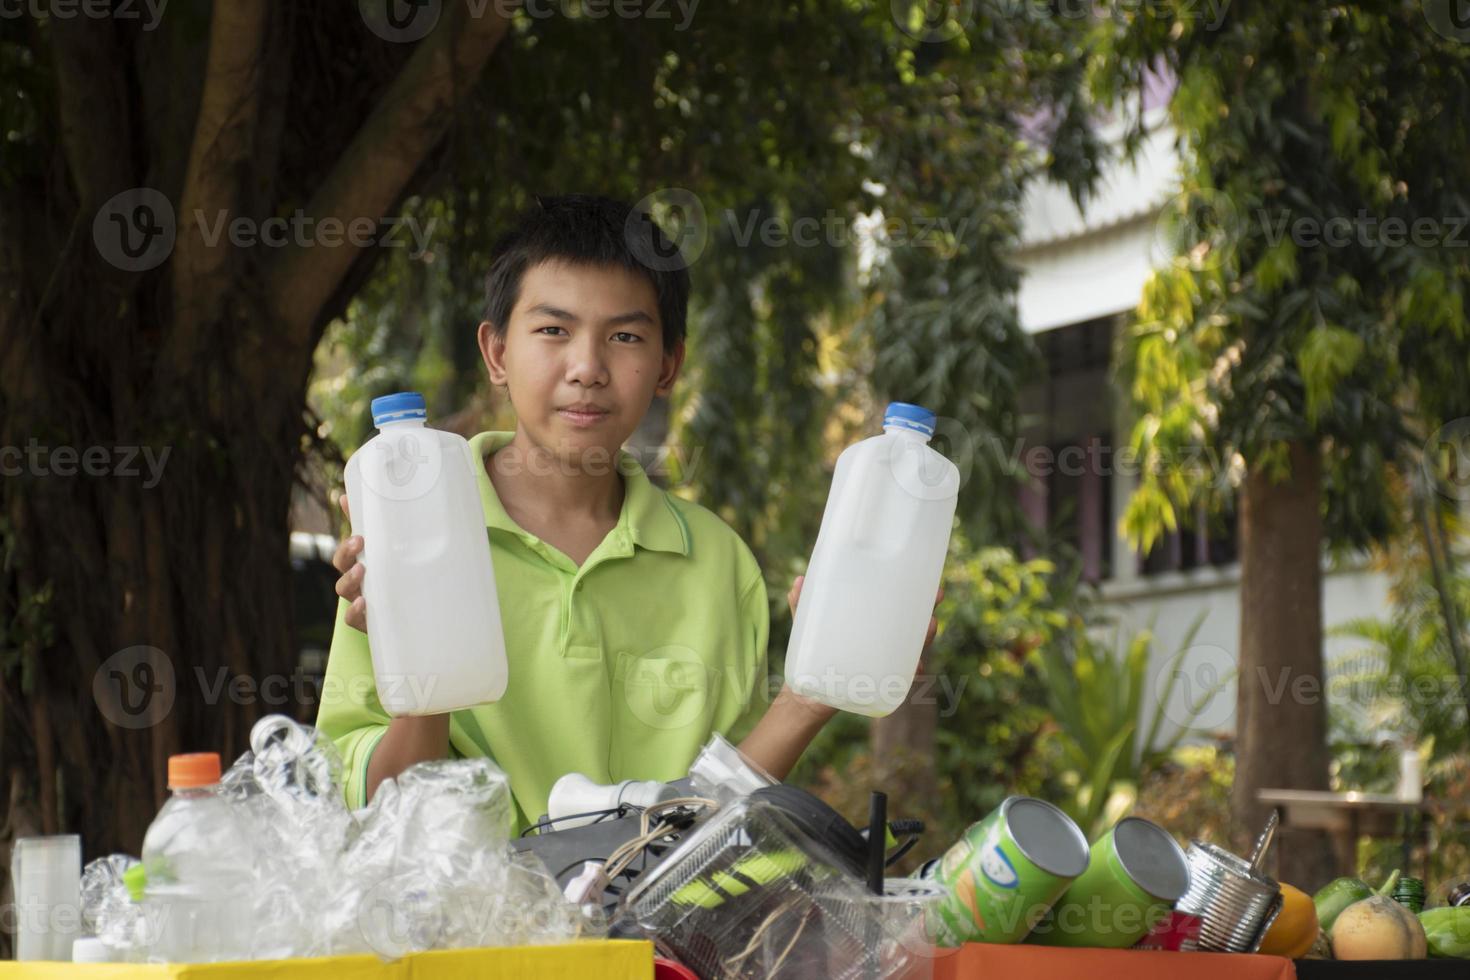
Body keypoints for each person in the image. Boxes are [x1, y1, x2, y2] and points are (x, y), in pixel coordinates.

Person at [316, 194, 938, 831]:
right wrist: (424, 663)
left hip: (652, 928)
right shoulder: (402, 544)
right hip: (474, 929)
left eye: (625, 337)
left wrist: (811, 695)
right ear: (497, 352)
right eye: (553, 330)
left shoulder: (718, 565)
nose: (587, 369)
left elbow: (719, 818)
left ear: (668, 364)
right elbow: (372, 818)